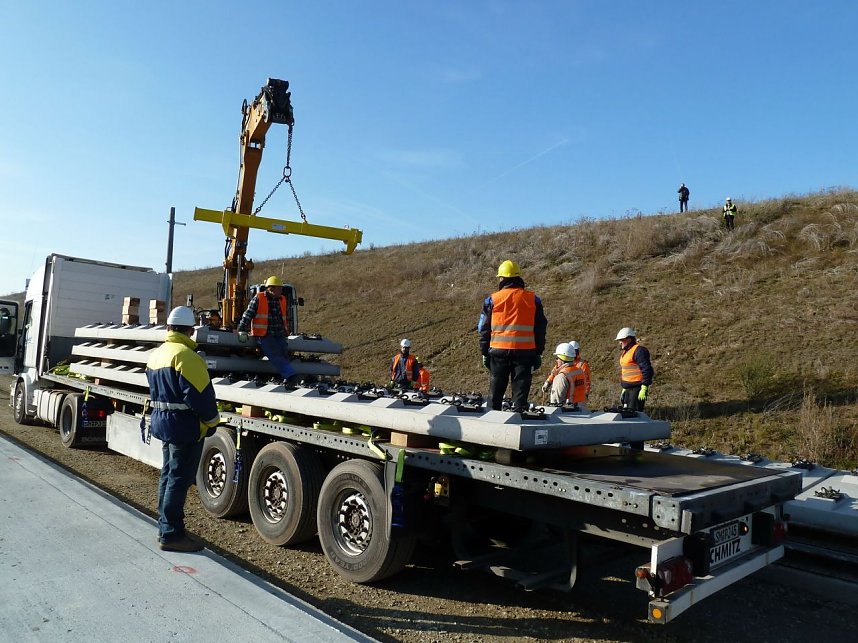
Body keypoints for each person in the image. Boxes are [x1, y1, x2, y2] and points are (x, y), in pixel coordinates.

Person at [145, 306, 221, 552]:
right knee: (178, 479)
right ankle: (171, 534)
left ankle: (165, 527)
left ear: (168, 328)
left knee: (168, 476)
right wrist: (212, 422)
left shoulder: (157, 355)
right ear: (190, 331)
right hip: (184, 428)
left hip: (164, 423)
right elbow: (201, 398)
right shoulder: (187, 357)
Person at [478, 260, 547, 412]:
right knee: (520, 391)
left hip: (498, 351)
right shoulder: (533, 299)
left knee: (495, 390)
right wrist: (538, 352)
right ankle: (518, 419)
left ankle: (492, 420)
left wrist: (484, 352)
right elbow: (540, 328)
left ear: (502, 279)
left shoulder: (492, 300)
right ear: (518, 278)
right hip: (525, 352)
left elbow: (483, 328)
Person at [236, 275, 297, 382]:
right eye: (279, 288)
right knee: (275, 354)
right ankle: (290, 376)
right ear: (271, 288)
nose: (281, 290)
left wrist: (286, 332)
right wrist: (241, 329)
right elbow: (248, 314)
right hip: (264, 334)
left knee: (283, 354)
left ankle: (284, 376)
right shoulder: (259, 298)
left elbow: (284, 317)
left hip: (279, 333)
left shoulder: (282, 299)